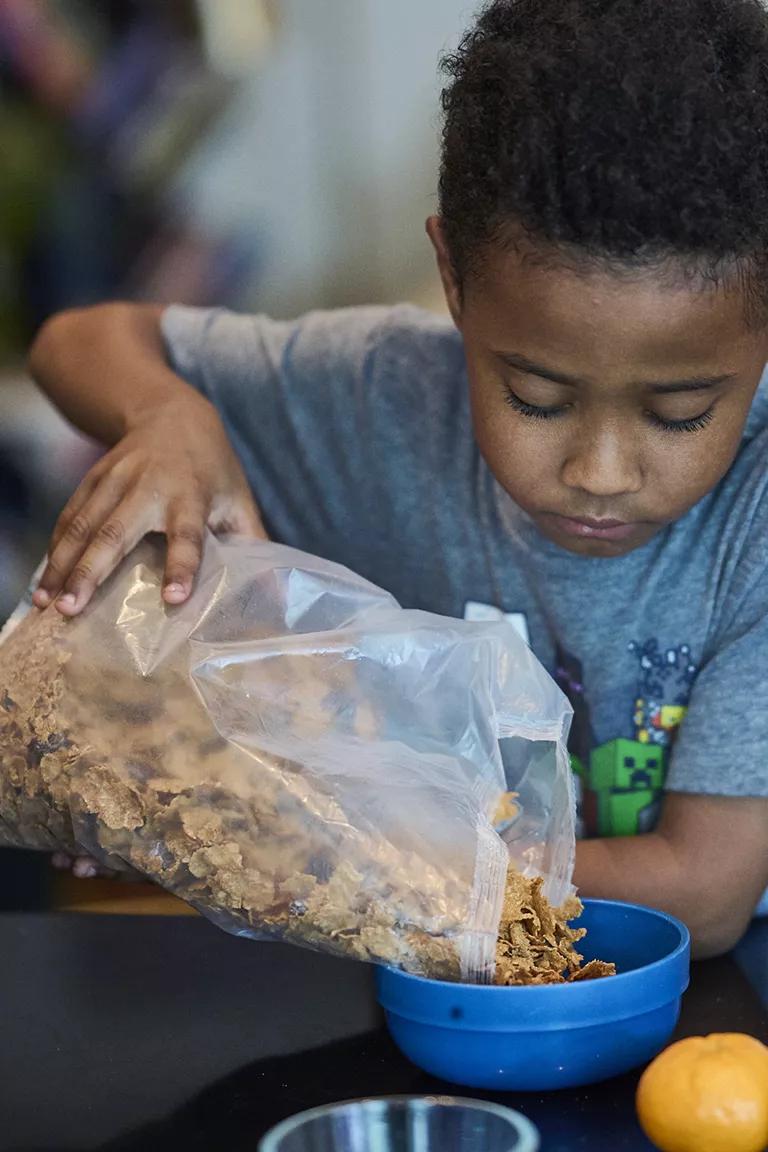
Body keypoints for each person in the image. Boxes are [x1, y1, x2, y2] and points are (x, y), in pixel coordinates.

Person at [26, 0, 768, 956]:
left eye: (678, 414)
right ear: (454, 280)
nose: (602, 472)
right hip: (397, 996)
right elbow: (77, 342)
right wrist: (168, 416)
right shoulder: (379, 395)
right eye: (536, 396)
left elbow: (701, 894)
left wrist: (286, 833)